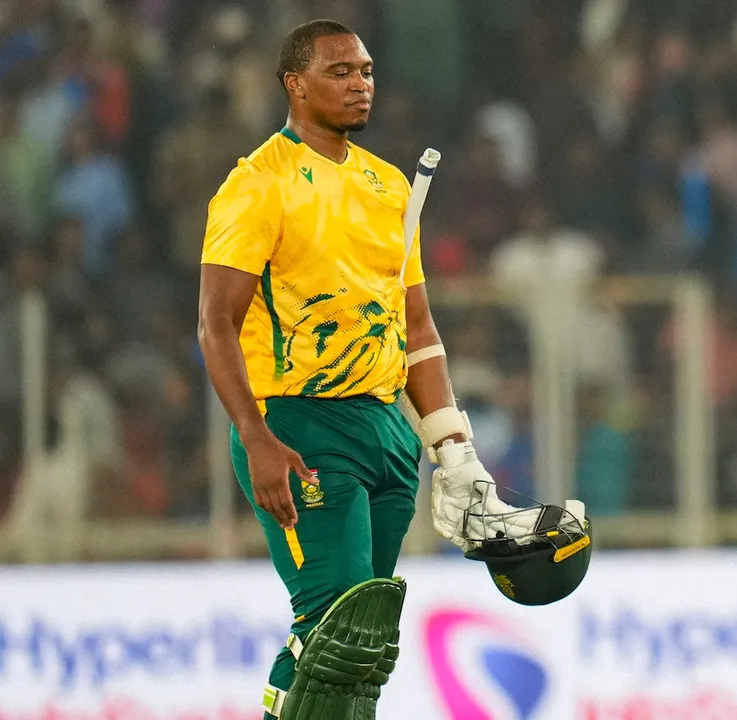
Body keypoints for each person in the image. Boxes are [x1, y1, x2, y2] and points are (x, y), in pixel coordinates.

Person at [197, 19, 526, 718]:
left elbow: (417, 330)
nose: (359, 84)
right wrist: (255, 436)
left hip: (386, 431)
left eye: (367, 71)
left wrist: (454, 450)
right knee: (333, 633)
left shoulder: (388, 187)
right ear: (295, 84)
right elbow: (215, 321)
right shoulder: (258, 183)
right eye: (340, 72)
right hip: (300, 424)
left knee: (364, 649)